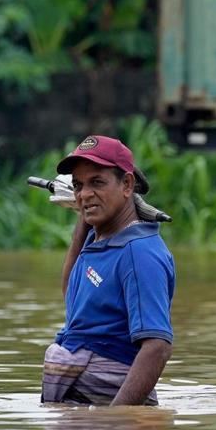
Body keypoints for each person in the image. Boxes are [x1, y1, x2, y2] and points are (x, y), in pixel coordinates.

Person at [40, 135, 174, 406]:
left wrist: (114, 422)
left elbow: (157, 347)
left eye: (97, 182)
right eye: (78, 185)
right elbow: (72, 300)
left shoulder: (139, 254)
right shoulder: (100, 236)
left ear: (127, 185)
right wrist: (84, 215)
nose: (84, 193)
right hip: (83, 423)